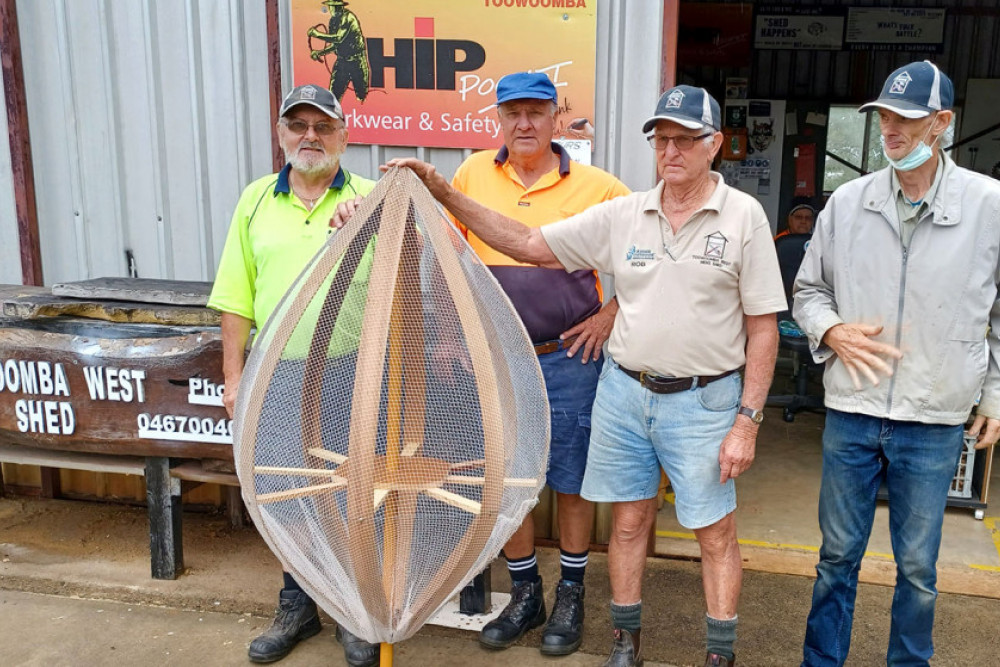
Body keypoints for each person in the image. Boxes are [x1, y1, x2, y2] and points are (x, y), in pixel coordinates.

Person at [338, 84, 786, 667]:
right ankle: (624, 645)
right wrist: (442, 189)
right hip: (626, 391)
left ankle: (719, 655)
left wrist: (747, 421)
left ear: (715, 145)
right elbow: (526, 243)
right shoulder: (628, 214)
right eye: (662, 140)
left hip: (702, 401)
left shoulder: (743, 216)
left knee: (714, 534)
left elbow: (764, 328)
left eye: (685, 140)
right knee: (626, 527)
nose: (671, 151)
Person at [793, 60, 1000, 666]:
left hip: (934, 415)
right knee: (836, 557)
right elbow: (808, 291)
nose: (891, 129)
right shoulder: (849, 203)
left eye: (906, 118)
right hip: (853, 408)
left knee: (917, 565)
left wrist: (993, 394)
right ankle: (820, 661)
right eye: (884, 116)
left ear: (942, 123)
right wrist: (831, 328)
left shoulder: (989, 206)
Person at [449, 72, 630, 656]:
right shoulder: (472, 175)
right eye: (512, 113)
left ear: (558, 116)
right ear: (497, 119)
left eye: (535, 112)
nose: (523, 124)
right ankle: (526, 593)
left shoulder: (601, 186)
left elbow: (646, 261)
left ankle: (571, 593)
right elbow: (449, 257)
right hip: (494, 357)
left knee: (571, 479)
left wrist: (609, 315)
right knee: (508, 479)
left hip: (570, 357)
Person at [207, 84, 378, 667]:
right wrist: (235, 377)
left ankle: (356, 610)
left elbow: (417, 268)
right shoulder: (255, 200)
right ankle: (298, 602)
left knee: (354, 493)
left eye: (322, 126)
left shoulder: (373, 198)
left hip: (353, 374)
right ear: (281, 134)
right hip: (278, 373)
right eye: (298, 125)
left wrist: (370, 223)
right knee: (284, 491)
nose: (310, 136)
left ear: (343, 136)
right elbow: (236, 299)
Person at [308, 0, 370, 103]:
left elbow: (338, 38)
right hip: (342, 63)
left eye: (337, 6)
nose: (334, 9)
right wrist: (319, 53)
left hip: (357, 62)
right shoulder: (333, 21)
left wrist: (316, 34)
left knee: (361, 96)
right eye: (332, 6)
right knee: (332, 98)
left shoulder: (348, 18)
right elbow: (336, 45)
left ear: (341, 6)